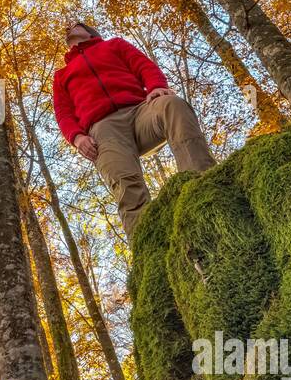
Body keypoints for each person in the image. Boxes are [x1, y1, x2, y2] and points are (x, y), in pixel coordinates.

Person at [53, 21, 215, 241]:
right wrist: (77, 137)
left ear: (90, 32)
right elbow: (63, 113)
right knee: (127, 188)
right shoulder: (62, 75)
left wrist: (157, 86)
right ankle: (149, 249)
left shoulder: (114, 45)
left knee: (173, 104)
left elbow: (143, 65)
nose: (69, 27)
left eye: (76, 24)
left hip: (140, 112)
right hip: (103, 130)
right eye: (67, 27)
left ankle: (204, 186)